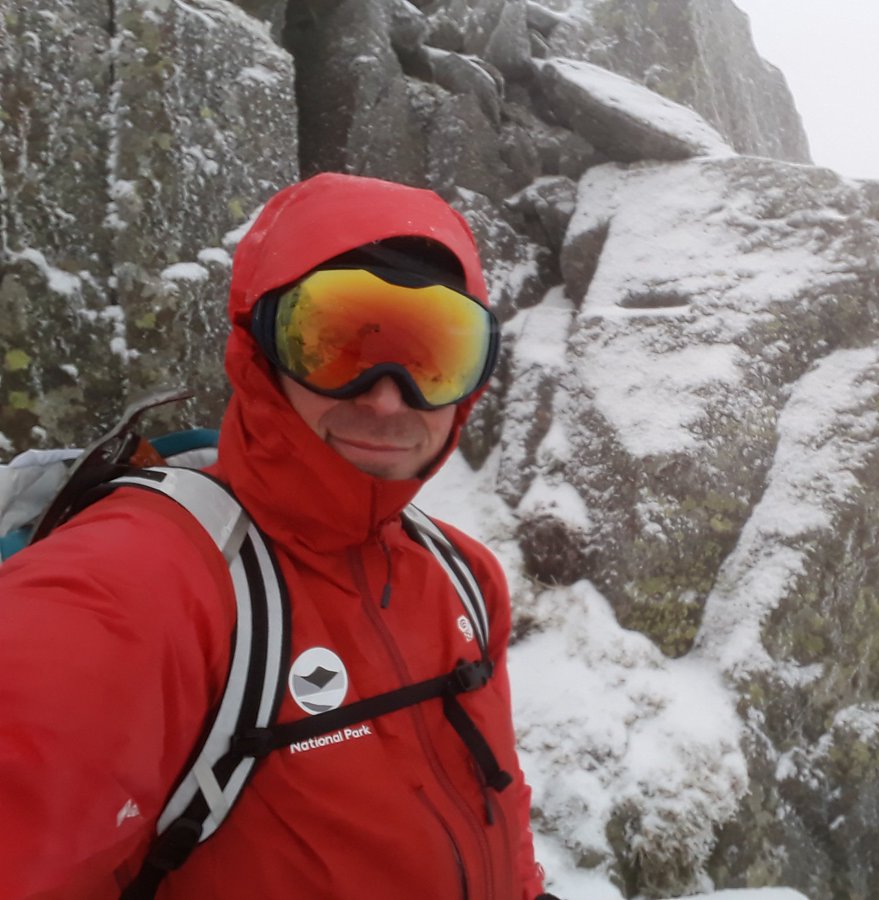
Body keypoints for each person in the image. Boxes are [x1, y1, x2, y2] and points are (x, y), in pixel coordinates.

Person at [0, 173, 550, 898]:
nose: (388, 397)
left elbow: (498, 807)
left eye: (431, 356)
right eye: (336, 343)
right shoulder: (146, 581)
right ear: (259, 350)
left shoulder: (464, 577)